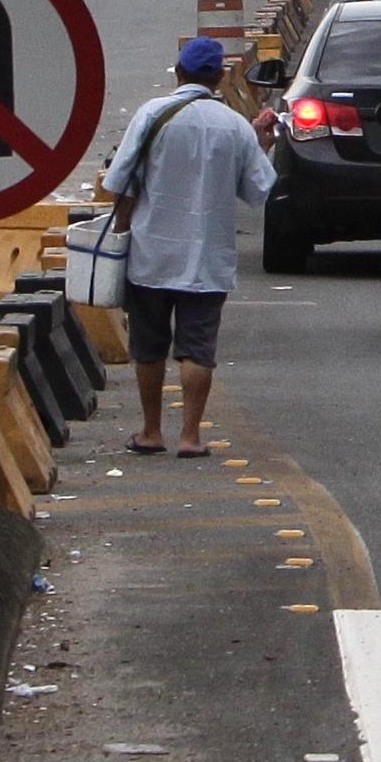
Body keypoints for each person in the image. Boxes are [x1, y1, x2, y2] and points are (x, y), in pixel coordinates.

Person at [103, 36, 272, 457]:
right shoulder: (235, 126)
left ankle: (151, 431)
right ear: (218, 77)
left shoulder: (151, 114)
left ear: (178, 72)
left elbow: (118, 182)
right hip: (207, 258)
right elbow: (258, 191)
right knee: (197, 348)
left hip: (150, 253)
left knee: (149, 347)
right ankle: (191, 436)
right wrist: (262, 144)